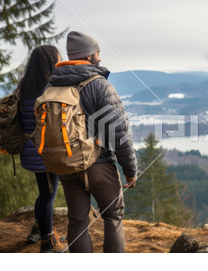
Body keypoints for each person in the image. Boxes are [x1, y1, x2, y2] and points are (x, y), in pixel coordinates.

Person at [49, 31, 138, 253]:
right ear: (88, 56)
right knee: (113, 216)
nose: (100, 58)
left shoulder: (52, 86)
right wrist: (130, 169)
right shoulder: (99, 86)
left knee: (77, 221)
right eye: (98, 53)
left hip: (67, 165)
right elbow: (120, 133)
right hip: (99, 163)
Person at [18, 45, 65, 252]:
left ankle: (39, 228)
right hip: (44, 152)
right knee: (48, 195)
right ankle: (48, 243)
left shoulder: (26, 89)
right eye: (57, 59)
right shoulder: (47, 91)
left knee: (44, 192)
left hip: (31, 150)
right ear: (49, 64)